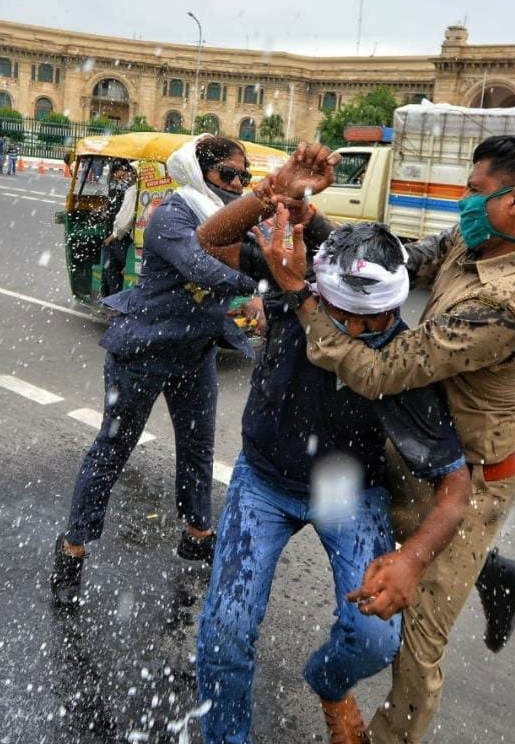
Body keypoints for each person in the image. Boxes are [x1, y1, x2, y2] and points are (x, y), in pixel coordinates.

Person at [256, 132, 515, 742]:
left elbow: (380, 371)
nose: (464, 202)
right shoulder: (477, 239)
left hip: (469, 478)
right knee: (399, 554)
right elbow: (397, 264)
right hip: (419, 446)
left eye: (476, 191)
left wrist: (299, 294)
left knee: (416, 643)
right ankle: (493, 571)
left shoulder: (508, 305)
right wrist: (313, 220)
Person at [195, 222, 472, 744]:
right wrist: (267, 194)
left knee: (374, 640)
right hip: (264, 481)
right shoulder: (291, 292)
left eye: (369, 321)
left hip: (353, 495)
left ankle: (328, 682)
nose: (348, 331)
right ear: (319, 292)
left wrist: (412, 560)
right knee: (224, 632)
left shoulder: (404, 359)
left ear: (392, 308)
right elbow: (211, 240)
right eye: (337, 314)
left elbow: (455, 487)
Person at [49, 136, 282, 607]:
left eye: (244, 176)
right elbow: (202, 268)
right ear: (199, 171)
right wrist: (270, 283)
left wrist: (273, 277)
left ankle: (197, 533)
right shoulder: (173, 214)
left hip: (195, 352)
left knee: (198, 447)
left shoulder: (233, 218)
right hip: (144, 351)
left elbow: (265, 253)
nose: (237, 185)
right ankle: (73, 547)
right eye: (227, 175)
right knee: (113, 448)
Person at [99, 160, 138, 297]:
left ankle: (113, 298)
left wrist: (111, 237)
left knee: (110, 269)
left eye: (122, 176)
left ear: (132, 172)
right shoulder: (123, 189)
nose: (121, 180)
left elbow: (123, 222)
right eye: (118, 178)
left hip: (124, 239)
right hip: (128, 238)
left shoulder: (132, 190)